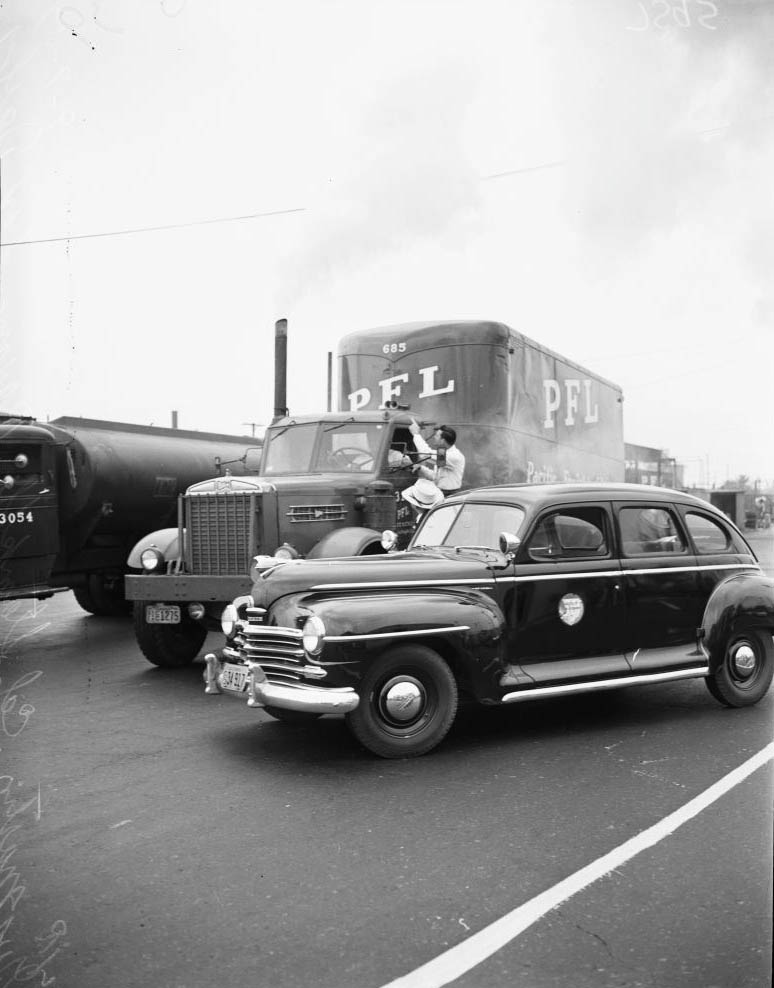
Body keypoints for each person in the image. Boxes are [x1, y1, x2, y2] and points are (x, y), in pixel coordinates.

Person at [409, 419, 465, 496]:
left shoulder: (454, 456)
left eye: (437, 435)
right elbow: (435, 477)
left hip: (450, 494)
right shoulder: (443, 452)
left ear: (443, 440)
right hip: (441, 492)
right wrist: (420, 468)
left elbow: (425, 454)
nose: (434, 437)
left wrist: (416, 434)